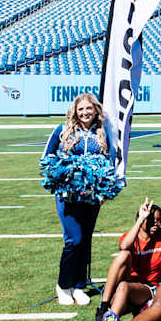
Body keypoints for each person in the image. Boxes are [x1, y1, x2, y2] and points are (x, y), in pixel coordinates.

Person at [46, 92, 112, 306]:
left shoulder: (102, 132)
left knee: (85, 240)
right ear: (75, 111)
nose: (85, 112)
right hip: (68, 195)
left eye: (89, 108)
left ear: (95, 110)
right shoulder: (63, 130)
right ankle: (63, 285)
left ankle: (79, 286)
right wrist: (60, 176)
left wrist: (104, 190)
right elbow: (47, 157)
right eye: (81, 109)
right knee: (73, 239)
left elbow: (109, 161)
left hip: (92, 196)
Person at [77, 199, 161, 321]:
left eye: (159, 220)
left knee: (124, 286)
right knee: (123, 255)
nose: (156, 224)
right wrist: (141, 219)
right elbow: (123, 246)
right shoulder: (131, 237)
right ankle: (103, 308)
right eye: (151, 220)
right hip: (126, 284)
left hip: (146, 288)